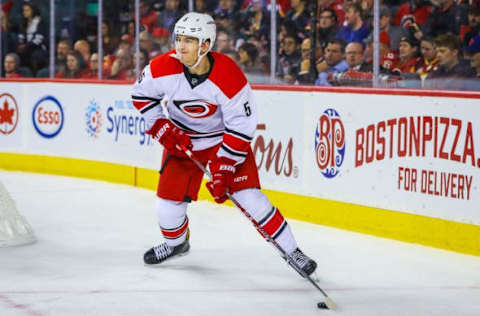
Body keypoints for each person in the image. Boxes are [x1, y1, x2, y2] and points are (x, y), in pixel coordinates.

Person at [131, 12, 317, 276]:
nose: (180, 46)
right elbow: (140, 96)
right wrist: (161, 126)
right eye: (179, 38)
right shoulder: (161, 68)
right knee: (167, 208)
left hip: (223, 142)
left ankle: (293, 252)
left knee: (251, 199)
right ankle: (176, 244)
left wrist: (225, 165)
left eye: (189, 40)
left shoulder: (228, 75)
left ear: (205, 45)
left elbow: (241, 127)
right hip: (182, 143)